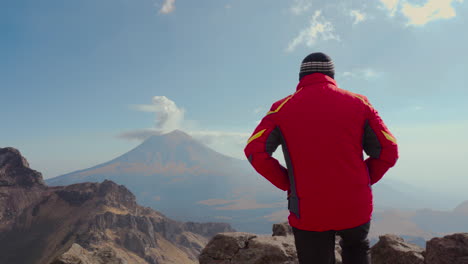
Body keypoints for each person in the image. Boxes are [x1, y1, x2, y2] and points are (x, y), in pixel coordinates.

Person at [244, 52, 399, 264]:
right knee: (356, 250)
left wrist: (289, 183)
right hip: (355, 204)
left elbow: (255, 151)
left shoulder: (281, 108)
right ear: (332, 75)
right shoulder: (360, 103)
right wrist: (363, 179)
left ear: (301, 77)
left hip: (308, 210)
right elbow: (389, 150)